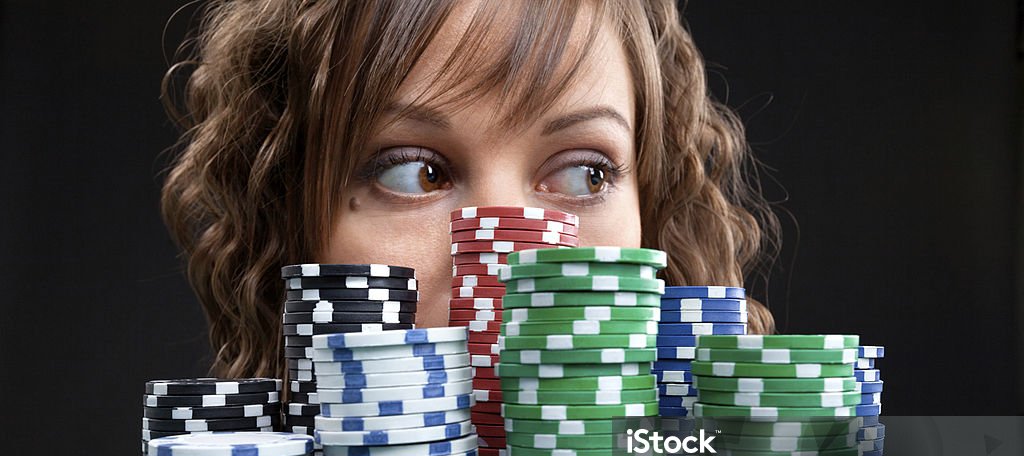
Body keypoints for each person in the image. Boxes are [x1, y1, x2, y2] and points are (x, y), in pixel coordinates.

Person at [161, 0, 779, 378]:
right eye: (416, 171)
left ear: (653, 205)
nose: (508, 260)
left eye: (584, 173)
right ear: (290, 220)